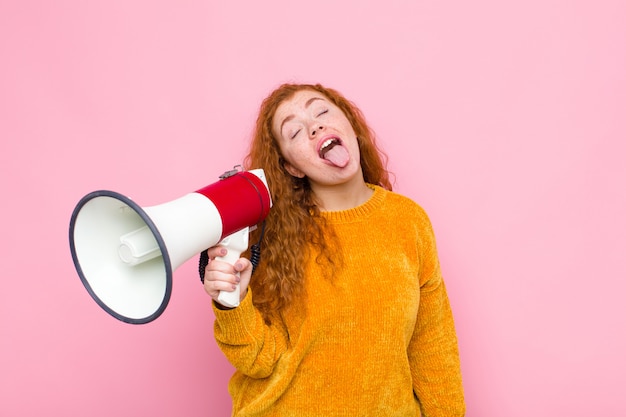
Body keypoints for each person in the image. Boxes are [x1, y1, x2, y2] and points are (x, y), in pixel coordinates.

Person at [202, 83, 465, 416]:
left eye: (322, 111)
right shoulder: (271, 234)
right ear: (291, 168)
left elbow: (433, 345)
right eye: (295, 132)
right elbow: (258, 359)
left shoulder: (408, 220)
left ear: (351, 127)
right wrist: (233, 304)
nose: (314, 126)